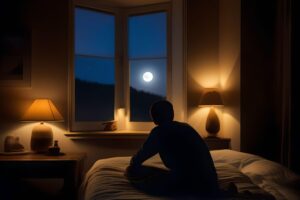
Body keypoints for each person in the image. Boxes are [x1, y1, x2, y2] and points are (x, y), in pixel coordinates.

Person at [125, 100, 220, 197]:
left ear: (154, 118)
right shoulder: (186, 127)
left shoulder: (159, 132)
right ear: (172, 114)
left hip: (189, 184)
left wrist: (133, 165)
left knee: (131, 171)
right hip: (210, 183)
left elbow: (138, 158)